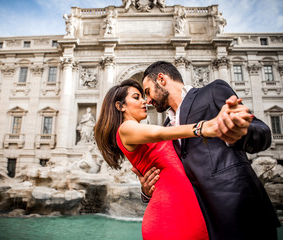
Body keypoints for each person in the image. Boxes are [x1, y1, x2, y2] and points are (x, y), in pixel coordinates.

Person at [135, 61, 281, 240]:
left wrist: (241, 131)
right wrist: (148, 190)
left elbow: (263, 132)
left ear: (161, 79)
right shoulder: (166, 128)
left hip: (240, 214)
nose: (147, 100)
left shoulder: (212, 91)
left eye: (148, 91)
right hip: (201, 224)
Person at [94, 79, 252, 240]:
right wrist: (203, 128)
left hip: (184, 207)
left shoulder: (141, 130)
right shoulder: (125, 128)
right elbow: (159, 133)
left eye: (143, 95)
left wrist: (146, 191)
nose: (144, 101)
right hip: (170, 213)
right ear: (120, 106)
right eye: (137, 97)